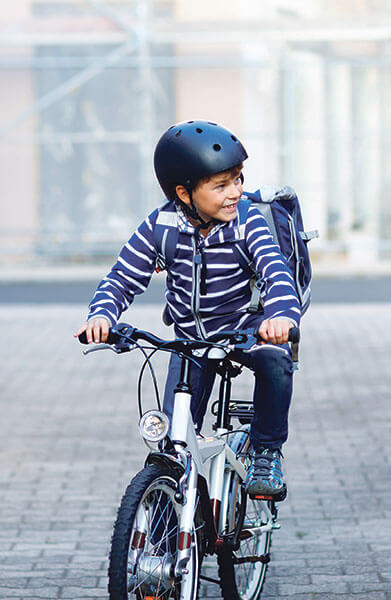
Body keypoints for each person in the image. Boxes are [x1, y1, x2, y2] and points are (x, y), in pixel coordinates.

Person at [75, 120, 300, 501]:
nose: (235, 193)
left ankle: (266, 452)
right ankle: (164, 538)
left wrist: (280, 317)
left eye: (238, 180)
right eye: (221, 185)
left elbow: (276, 274)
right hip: (190, 340)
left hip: (245, 330)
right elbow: (122, 278)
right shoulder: (159, 227)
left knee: (275, 359)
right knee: (174, 446)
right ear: (184, 192)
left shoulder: (248, 224)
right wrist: (102, 316)